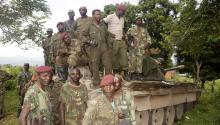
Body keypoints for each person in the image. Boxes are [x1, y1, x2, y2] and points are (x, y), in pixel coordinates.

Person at [81, 9, 112, 88]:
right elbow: (82, 36)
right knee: (95, 66)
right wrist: (90, 41)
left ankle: (108, 82)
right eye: (97, 14)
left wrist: (109, 46)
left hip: (104, 47)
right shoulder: (89, 25)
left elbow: (107, 35)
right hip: (94, 48)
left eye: (99, 14)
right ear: (93, 16)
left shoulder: (103, 25)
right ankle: (96, 83)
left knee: (108, 65)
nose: (99, 16)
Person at [103, 3, 128, 77]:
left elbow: (122, 29)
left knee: (124, 56)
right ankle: (116, 73)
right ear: (118, 10)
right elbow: (102, 23)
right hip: (113, 40)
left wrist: (124, 36)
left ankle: (125, 72)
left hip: (121, 40)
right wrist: (108, 33)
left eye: (124, 11)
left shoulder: (122, 18)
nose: (123, 13)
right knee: (114, 57)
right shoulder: (110, 16)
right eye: (122, 11)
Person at [126, 16, 151, 80]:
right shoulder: (131, 29)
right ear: (135, 21)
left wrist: (147, 45)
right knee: (132, 61)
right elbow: (126, 37)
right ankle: (130, 74)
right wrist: (129, 44)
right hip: (133, 48)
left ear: (141, 22)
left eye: (140, 20)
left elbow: (148, 38)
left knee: (140, 62)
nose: (139, 21)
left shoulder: (144, 30)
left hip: (141, 48)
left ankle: (139, 75)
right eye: (138, 20)